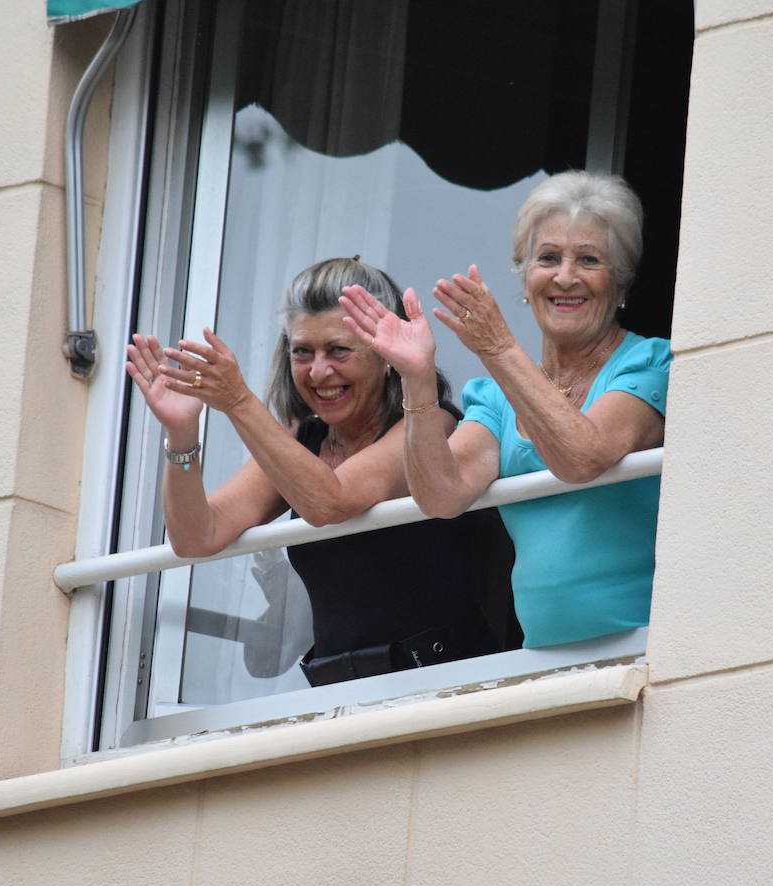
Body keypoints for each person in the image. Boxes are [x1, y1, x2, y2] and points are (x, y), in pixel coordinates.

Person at [126, 257, 512, 687]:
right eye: (302, 352)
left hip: (447, 688)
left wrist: (237, 402)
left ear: (386, 355)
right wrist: (181, 433)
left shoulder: (429, 425)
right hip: (340, 694)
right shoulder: (302, 442)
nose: (319, 371)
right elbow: (197, 536)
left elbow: (331, 502)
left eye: (339, 350)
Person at [341, 172, 671, 648]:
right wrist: (416, 378)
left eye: (589, 259)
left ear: (620, 281)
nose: (565, 276)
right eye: (548, 258)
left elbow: (582, 456)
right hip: (539, 656)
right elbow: (441, 495)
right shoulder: (496, 397)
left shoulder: (649, 362)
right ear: (524, 276)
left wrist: (497, 348)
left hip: (642, 648)